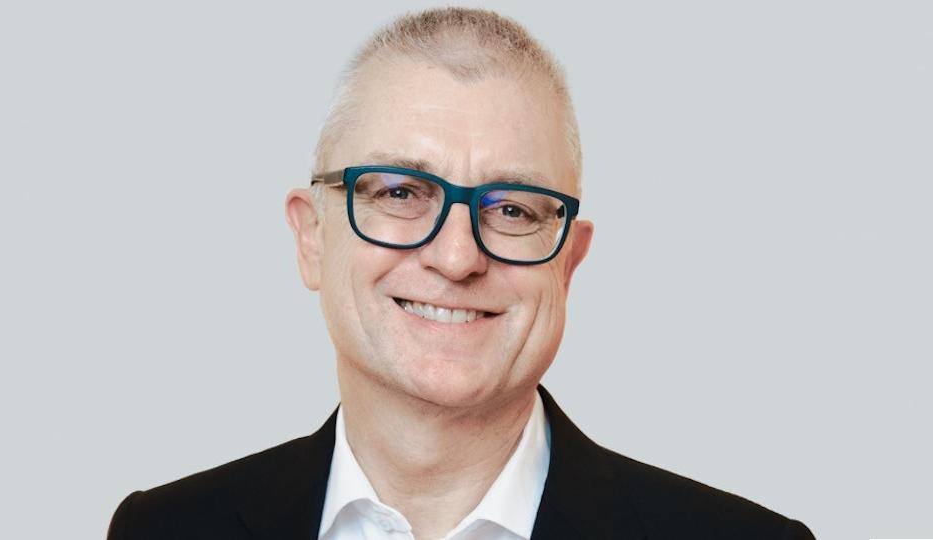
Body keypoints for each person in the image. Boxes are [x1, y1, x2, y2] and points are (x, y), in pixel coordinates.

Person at [108, 7, 814, 540]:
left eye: (511, 209)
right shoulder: (164, 531)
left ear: (568, 262)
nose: (456, 258)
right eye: (400, 193)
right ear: (312, 237)